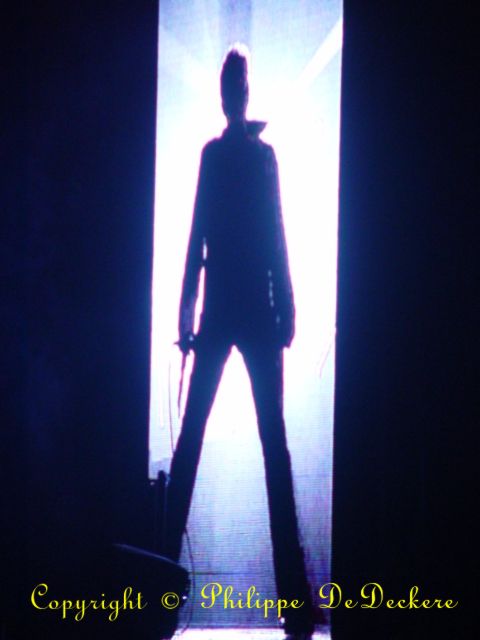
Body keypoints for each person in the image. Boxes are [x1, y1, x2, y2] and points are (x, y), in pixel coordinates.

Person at [165, 46, 318, 639]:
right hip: (253, 309)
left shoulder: (221, 156)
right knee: (272, 449)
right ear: (244, 93)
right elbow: (274, 235)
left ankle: (154, 584)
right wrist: (287, 308)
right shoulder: (261, 157)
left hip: (229, 308)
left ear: (230, 94)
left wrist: (188, 314)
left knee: (194, 443)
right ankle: (295, 602)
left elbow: (198, 237)